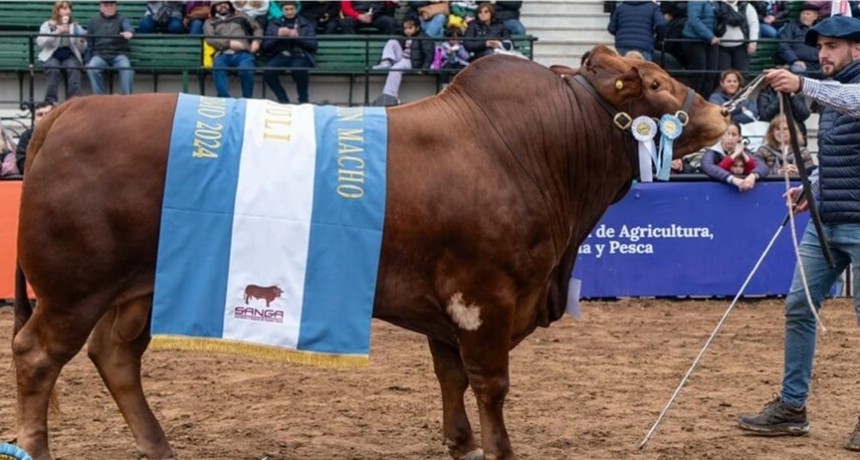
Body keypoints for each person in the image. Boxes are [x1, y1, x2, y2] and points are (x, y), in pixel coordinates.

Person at [738, 16, 860, 450]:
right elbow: (847, 154)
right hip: (828, 221)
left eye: (832, 46)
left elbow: (853, 100)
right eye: (820, 46)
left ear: (857, 50)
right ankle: (792, 408)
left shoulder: (844, 91)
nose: (822, 54)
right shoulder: (832, 95)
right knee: (797, 307)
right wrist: (816, 189)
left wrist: (802, 84)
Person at [370, 14, 434, 106]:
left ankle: (390, 96)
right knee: (392, 42)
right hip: (402, 58)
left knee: (395, 69)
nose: (407, 31)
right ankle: (386, 63)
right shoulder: (403, 36)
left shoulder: (423, 37)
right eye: (405, 28)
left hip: (412, 62)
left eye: (410, 28)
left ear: (417, 28)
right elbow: (397, 48)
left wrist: (424, 69)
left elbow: (428, 53)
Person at [204, 0, 262, 98]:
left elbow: (257, 28)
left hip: (244, 53)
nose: (222, 6)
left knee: (246, 69)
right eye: (218, 4)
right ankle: (225, 99)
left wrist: (257, 41)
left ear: (230, 5)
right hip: (222, 53)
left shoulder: (241, 16)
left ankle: (247, 100)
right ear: (214, 7)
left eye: (225, 3)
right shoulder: (209, 22)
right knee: (218, 67)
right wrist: (229, 44)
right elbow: (210, 39)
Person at [262, 1, 317, 104]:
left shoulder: (305, 23)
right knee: (268, 72)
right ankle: (283, 99)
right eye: (286, 9)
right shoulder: (274, 24)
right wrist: (277, 37)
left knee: (299, 69)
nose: (289, 12)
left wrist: (298, 38)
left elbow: (313, 46)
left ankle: (303, 100)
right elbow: (266, 46)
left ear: (296, 9)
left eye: (292, 9)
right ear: (282, 10)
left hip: (299, 55)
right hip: (281, 54)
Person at [37, 1, 87, 103]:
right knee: (53, 68)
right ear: (58, 11)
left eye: (69, 9)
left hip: (69, 55)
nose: (67, 11)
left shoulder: (75, 27)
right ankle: (50, 101)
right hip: (52, 55)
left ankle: (74, 101)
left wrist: (81, 40)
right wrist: (57, 32)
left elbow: (82, 49)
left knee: (74, 67)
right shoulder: (48, 25)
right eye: (64, 8)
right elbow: (41, 42)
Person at [700, 121, 770, 191]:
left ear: (739, 137)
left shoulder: (744, 151)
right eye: (726, 134)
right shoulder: (712, 152)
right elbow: (707, 166)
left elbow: (763, 167)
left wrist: (753, 176)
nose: (730, 138)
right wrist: (732, 179)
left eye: (734, 135)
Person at [85, 0, 134, 95]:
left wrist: (129, 33)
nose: (109, 8)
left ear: (116, 7)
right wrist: (87, 60)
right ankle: (100, 98)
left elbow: (128, 28)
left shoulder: (122, 19)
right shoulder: (93, 21)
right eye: (106, 5)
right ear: (101, 7)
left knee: (126, 69)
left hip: (119, 54)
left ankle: (127, 99)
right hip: (100, 54)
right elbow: (90, 42)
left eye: (111, 5)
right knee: (91, 68)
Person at [680, 1, 721, 98]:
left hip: (711, 41)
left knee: (711, 74)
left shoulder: (716, 2)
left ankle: (706, 101)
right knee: (699, 75)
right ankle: (693, 102)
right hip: (694, 40)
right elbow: (693, 19)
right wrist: (710, 36)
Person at [714, 0, 759, 72]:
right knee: (722, 75)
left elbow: (753, 25)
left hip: (741, 46)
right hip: (721, 47)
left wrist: (753, 42)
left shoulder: (746, 6)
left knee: (741, 74)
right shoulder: (717, 5)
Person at [777, 2, 821, 74]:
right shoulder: (792, 26)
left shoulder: (821, 28)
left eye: (807, 14)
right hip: (798, 62)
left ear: (815, 16)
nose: (804, 16)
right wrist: (794, 60)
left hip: (817, 64)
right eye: (802, 14)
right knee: (799, 71)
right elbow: (783, 45)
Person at [14, 102, 55, 175]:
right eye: (40, 115)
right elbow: (22, 163)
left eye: (48, 114)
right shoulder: (26, 136)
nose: (44, 117)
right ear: (34, 120)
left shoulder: (63, 135)